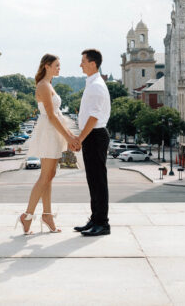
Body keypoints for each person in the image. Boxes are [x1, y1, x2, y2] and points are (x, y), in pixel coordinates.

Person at [17, 53, 79, 235]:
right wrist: (69, 138)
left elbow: (56, 116)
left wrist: (69, 136)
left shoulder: (49, 85)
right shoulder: (43, 86)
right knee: (45, 176)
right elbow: (51, 116)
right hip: (49, 132)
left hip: (54, 131)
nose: (60, 68)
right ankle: (28, 215)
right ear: (47, 66)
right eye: (57, 65)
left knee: (49, 175)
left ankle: (47, 214)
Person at [72, 48, 112, 236]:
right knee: (93, 180)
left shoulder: (96, 85)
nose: (80, 64)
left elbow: (94, 116)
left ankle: (102, 223)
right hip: (92, 136)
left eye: (83, 61)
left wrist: (80, 138)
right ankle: (95, 219)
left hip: (95, 136)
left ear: (93, 63)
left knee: (98, 181)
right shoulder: (93, 83)